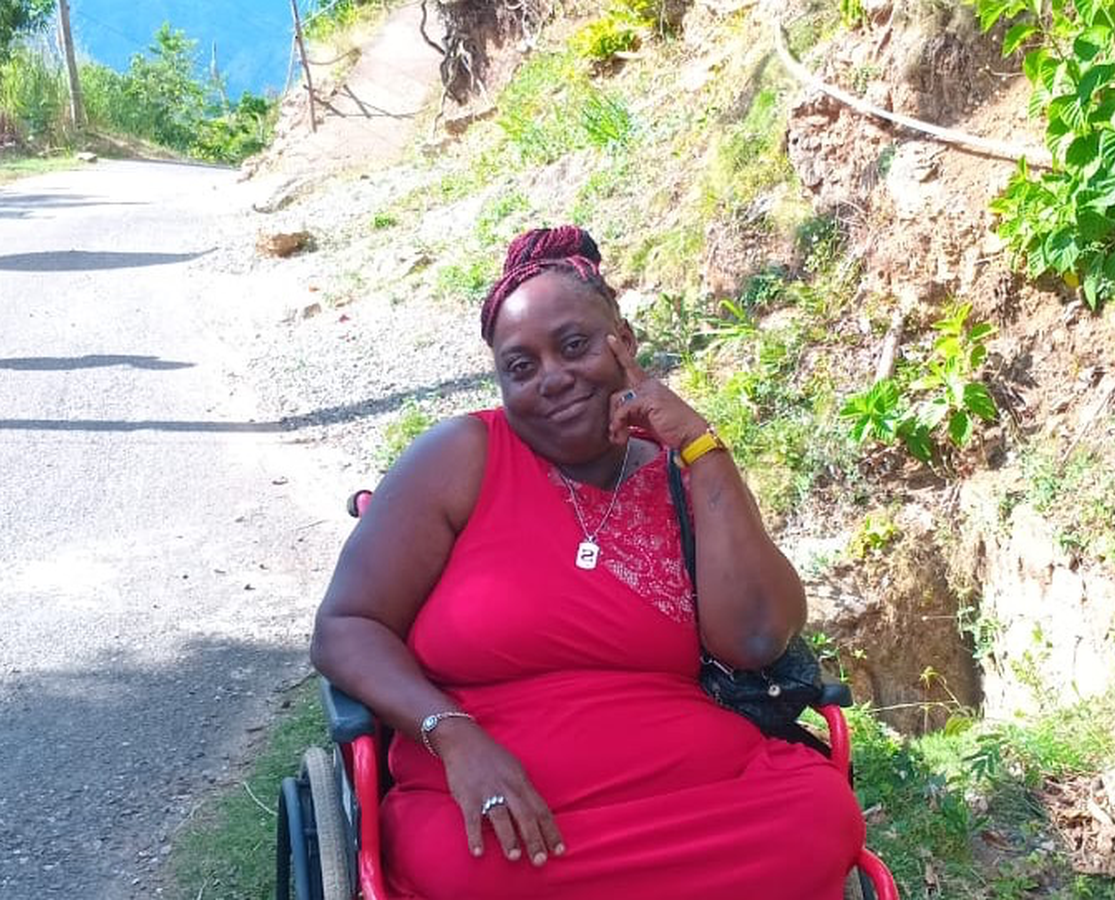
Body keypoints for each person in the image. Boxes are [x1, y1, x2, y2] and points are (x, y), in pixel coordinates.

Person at [310, 225, 865, 900]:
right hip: (503, 802)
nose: (552, 378)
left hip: (700, 791)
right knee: (476, 866)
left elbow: (754, 639)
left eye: (574, 346)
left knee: (814, 817)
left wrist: (702, 447)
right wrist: (452, 735)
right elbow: (346, 626)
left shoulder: (681, 472)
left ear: (623, 342)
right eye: (521, 367)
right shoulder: (460, 457)